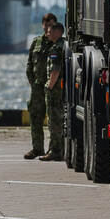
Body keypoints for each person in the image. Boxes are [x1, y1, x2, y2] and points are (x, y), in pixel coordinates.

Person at [24, 13, 57, 159]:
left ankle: (54, 150)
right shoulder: (36, 42)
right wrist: (33, 82)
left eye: (52, 25)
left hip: (53, 88)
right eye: (46, 24)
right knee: (35, 118)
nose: (48, 27)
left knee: (54, 120)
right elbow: (29, 64)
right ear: (43, 25)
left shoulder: (58, 44)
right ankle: (37, 149)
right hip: (37, 87)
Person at [39, 21, 67, 161]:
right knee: (59, 120)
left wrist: (49, 86)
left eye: (50, 32)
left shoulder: (56, 48)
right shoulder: (64, 45)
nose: (47, 34)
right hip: (61, 90)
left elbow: (55, 70)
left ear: (57, 32)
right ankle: (58, 149)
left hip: (55, 91)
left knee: (54, 121)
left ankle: (55, 151)